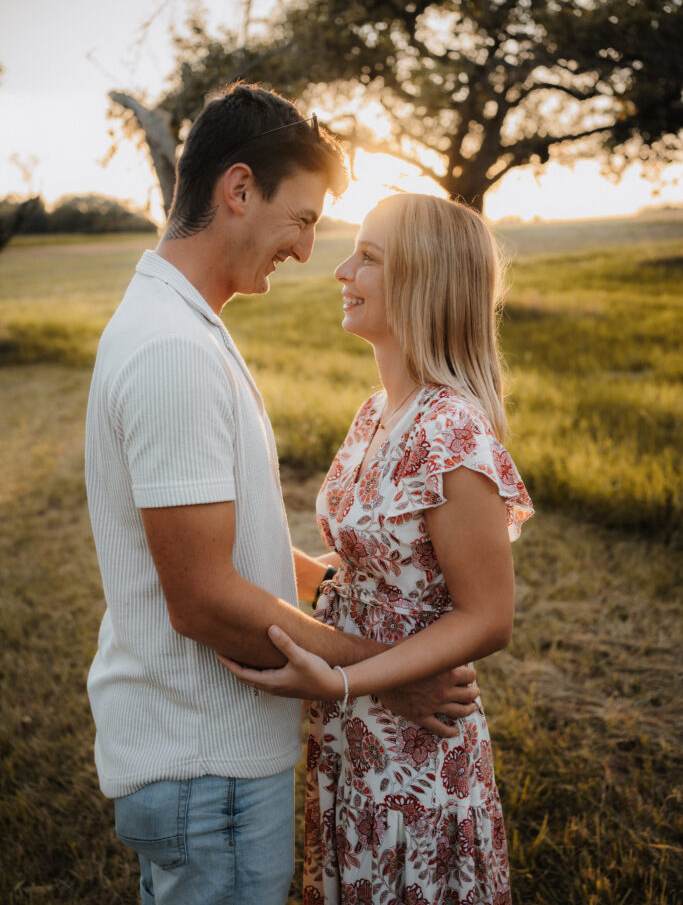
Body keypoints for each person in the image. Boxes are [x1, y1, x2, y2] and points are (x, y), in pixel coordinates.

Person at [85, 85, 481, 905]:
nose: (306, 251)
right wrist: (386, 676)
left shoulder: (180, 326)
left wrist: (330, 580)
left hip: (201, 764)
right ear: (239, 189)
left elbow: (227, 548)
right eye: (301, 219)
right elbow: (204, 598)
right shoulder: (172, 351)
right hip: (208, 767)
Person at [220, 192, 534, 904]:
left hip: (414, 750)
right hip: (354, 730)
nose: (340, 271)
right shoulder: (377, 412)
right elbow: (373, 569)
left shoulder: (450, 431)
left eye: (367, 258)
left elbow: (488, 618)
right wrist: (250, 562)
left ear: (423, 282)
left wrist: (340, 681)